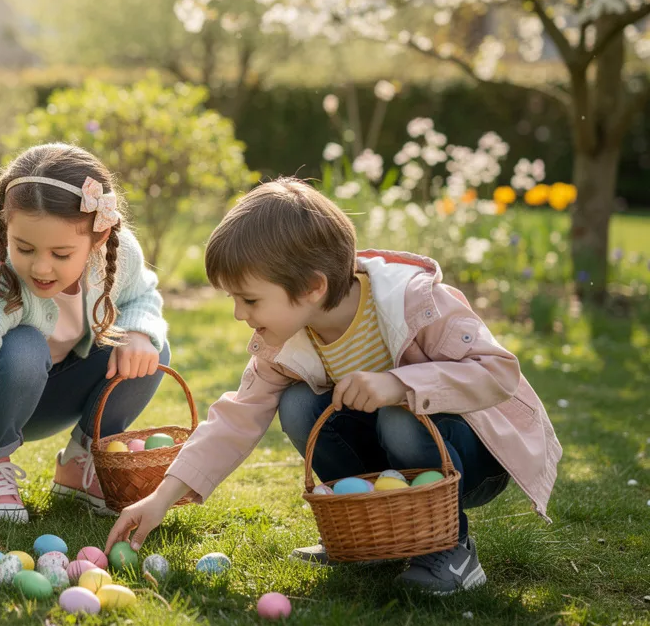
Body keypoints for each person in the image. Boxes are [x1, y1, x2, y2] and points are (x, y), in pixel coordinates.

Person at [106, 178, 560, 595]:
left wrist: (398, 384)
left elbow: (498, 372)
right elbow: (235, 418)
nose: (240, 314)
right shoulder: (284, 343)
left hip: (473, 458)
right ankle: (368, 537)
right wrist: (161, 498)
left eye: (250, 299)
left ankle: (449, 548)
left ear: (311, 288)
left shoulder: (415, 302)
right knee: (301, 405)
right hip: (394, 463)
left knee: (398, 417)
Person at [0, 143, 171, 533]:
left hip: (45, 392)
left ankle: (81, 461)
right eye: (24, 248)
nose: (41, 266)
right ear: (5, 229)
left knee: (150, 345)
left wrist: (137, 333)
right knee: (25, 344)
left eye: (61, 254)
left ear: (98, 239)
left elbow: (142, 297)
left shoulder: (118, 251)